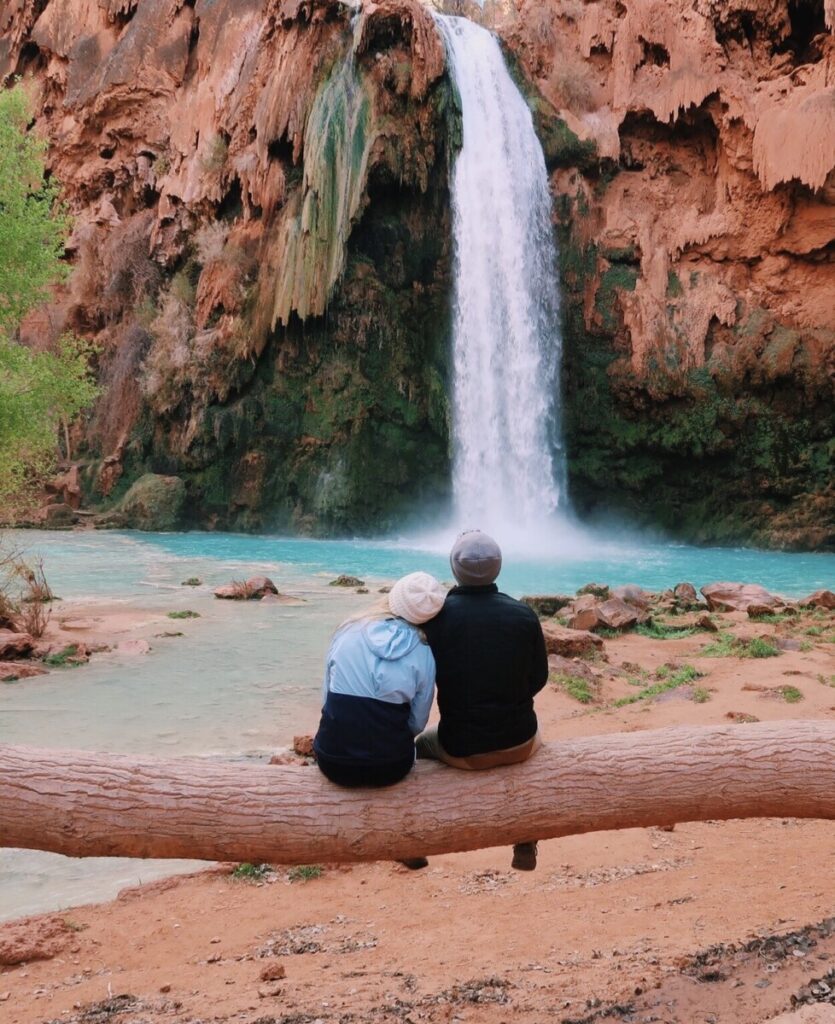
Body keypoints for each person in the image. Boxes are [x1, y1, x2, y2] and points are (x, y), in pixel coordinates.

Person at [418, 530, 548, 871]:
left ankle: (412, 838)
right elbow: (539, 680)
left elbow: (423, 680)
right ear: (499, 567)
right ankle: (525, 839)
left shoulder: (437, 619)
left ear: (454, 568)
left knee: (418, 747)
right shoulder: (524, 614)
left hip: (460, 747)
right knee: (536, 744)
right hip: (520, 741)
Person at [313, 571, 447, 788]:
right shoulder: (425, 652)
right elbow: (417, 722)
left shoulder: (348, 630)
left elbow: (327, 700)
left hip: (332, 762)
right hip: (391, 767)